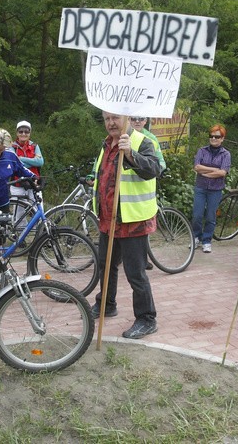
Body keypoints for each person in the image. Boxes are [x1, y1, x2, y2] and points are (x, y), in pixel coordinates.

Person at [91, 112, 162, 339]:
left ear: (127, 119)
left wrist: (131, 154)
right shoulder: (106, 145)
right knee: (106, 264)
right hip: (108, 218)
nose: (111, 123)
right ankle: (106, 305)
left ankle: (146, 318)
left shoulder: (143, 141)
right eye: (106, 119)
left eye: (115, 118)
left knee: (135, 273)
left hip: (133, 220)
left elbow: (153, 170)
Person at [191, 124, 231, 253]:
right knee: (197, 215)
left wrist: (206, 172)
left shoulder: (226, 154)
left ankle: (207, 240)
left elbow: (223, 173)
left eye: (217, 136)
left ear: (222, 138)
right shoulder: (202, 151)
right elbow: (197, 167)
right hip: (201, 187)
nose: (213, 138)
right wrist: (214, 169)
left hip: (215, 189)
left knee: (210, 216)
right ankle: (196, 237)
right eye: (211, 136)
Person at [9, 120, 44, 216]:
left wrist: (21, 159)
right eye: (21, 131)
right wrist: (32, 161)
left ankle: (39, 230)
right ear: (17, 133)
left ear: (30, 133)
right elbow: (14, 164)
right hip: (17, 184)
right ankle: (20, 231)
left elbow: (40, 162)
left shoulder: (34, 146)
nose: (23, 134)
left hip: (34, 183)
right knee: (18, 214)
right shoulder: (11, 147)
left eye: (26, 131)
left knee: (38, 212)